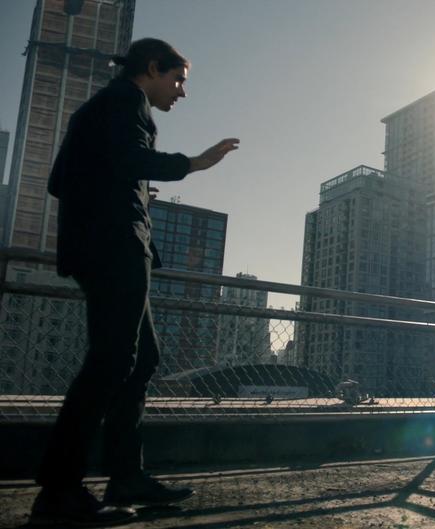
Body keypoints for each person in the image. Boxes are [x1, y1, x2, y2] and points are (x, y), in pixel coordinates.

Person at [30, 38, 239, 526]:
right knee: (111, 362)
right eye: (178, 79)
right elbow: (128, 161)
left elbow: (62, 179)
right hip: (113, 248)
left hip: (110, 247)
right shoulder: (127, 102)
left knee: (140, 358)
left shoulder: (102, 109)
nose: (181, 92)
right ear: (152, 68)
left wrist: (113, 194)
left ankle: (126, 476)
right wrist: (194, 162)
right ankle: (59, 492)